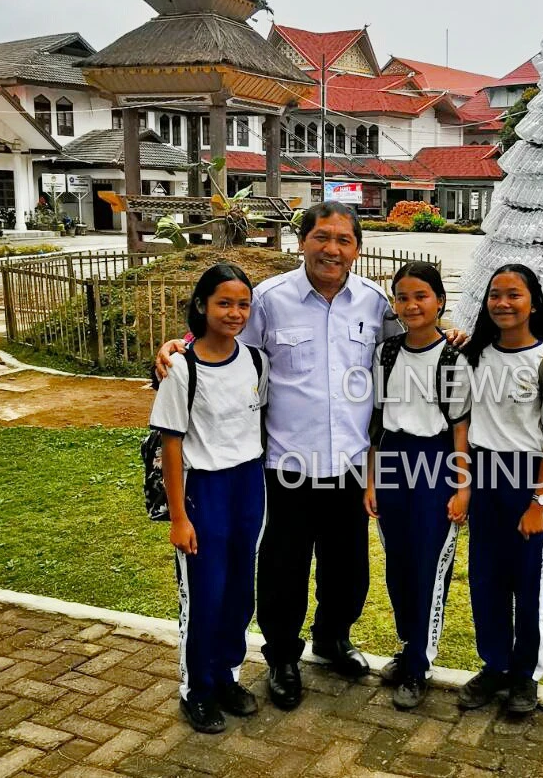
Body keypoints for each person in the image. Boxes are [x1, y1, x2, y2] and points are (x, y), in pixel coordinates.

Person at [154, 202, 464, 711]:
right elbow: (222, 342)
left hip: (349, 463)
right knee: (283, 569)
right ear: (303, 242)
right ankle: (281, 657)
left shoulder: (373, 304)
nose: (332, 249)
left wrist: (451, 331)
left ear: (357, 249)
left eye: (344, 239)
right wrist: (176, 348)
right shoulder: (271, 301)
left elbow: (415, 336)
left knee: (348, 568)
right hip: (284, 464)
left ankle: (333, 638)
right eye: (322, 237)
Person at [149, 263, 268, 734]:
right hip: (205, 491)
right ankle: (196, 689)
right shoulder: (182, 367)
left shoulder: (256, 361)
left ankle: (227, 676)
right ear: (202, 306)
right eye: (224, 303)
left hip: (248, 485)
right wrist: (180, 516)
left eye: (242, 304)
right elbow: (171, 445)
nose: (234, 313)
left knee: (240, 591)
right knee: (205, 594)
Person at [456, 263, 543, 716]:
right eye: (494, 295)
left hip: (527, 480)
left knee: (528, 584)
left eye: (513, 295)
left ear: (533, 303)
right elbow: (464, 422)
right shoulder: (476, 356)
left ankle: (525, 677)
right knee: (486, 580)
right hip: (485, 477)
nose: (502, 303)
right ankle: (494, 666)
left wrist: (540, 502)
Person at [364, 262, 471, 710]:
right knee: (399, 563)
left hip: (436, 461)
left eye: (422, 296)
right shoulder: (386, 353)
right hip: (392, 460)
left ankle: (420, 664)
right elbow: (374, 418)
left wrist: (463, 486)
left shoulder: (453, 355)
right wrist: (371, 478)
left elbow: (462, 426)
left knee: (430, 564)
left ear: (440, 301)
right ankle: (408, 644)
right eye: (403, 297)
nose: (412, 305)